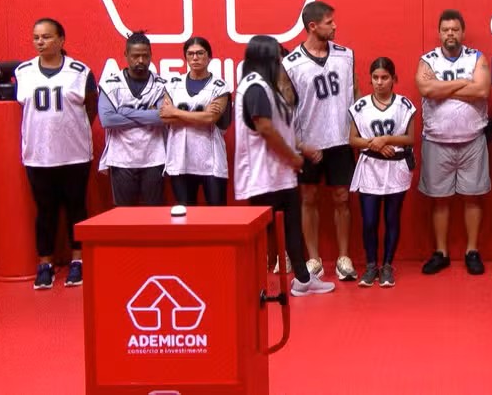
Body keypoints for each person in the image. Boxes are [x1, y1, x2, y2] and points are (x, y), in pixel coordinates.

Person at [234, 35, 334, 296]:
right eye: (278, 57)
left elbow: (280, 128)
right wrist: (292, 157)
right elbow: (265, 129)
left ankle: (302, 279)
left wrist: (301, 148)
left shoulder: (270, 87)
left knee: (291, 227)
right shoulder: (254, 86)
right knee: (264, 234)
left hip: (280, 174)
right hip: (263, 174)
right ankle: (252, 284)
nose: (282, 62)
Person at [15, 18, 97, 289]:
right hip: (38, 155)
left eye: (47, 37)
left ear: (61, 40)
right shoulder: (23, 72)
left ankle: (78, 260)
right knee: (45, 211)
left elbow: (91, 108)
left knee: (76, 208)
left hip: (74, 154)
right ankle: (45, 264)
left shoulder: (80, 71)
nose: (40, 42)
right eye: (36, 37)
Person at [282, 1, 359, 281]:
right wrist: (297, 143)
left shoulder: (346, 55)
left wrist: (355, 131)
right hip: (308, 142)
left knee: (342, 198)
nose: (335, 26)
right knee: (308, 198)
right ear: (313, 26)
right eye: (329, 22)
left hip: (340, 138)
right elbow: (286, 108)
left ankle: (343, 257)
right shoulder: (291, 63)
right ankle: (314, 258)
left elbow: (355, 93)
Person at [416, 9, 491, 276]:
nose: (450, 34)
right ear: (439, 32)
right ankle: (441, 252)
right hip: (437, 140)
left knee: (473, 197)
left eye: (455, 29)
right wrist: (462, 83)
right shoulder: (427, 60)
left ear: (462, 32)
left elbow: (482, 90)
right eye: (446, 29)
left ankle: (472, 251)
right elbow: (426, 89)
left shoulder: (477, 57)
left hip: (472, 139)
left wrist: (443, 88)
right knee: (440, 200)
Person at [348, 58, 417, 287]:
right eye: (375, 78)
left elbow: (410, 138)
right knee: (369, 220)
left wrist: (387, 139)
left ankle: (387, 265)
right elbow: (353, 139)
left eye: (384, 77)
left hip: (396, 166)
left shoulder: (404, 105)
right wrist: (374, 144)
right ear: (370, 79)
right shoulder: (361, 106)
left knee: (391, 218)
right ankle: (371, 266)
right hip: (370, 166)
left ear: (393, 79)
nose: (379, 82)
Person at [98, 31, 168, 206]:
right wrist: (148, 115)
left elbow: (163, 117)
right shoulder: (111, 84)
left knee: (154, 213)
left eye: (145, 56)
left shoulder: (161, 85)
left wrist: (123, 111)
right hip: (121, 158)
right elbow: (107, 120)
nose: (141, 61)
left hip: (154, 157)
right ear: (126, 55)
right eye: (136, 56)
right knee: (124, 214)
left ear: (151, 55)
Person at [160, 36, 231, 206]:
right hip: (180, 157)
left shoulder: (219, 86)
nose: (195, 58)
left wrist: (176, 112)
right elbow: (165, 117)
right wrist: (200, 115)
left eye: (200, 53)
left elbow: (210, 118)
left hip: (211, 158)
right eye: (190, 54)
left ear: (209, 56)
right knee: (186, 213)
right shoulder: (173, 83)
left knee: (218, 214)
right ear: (185, 57)